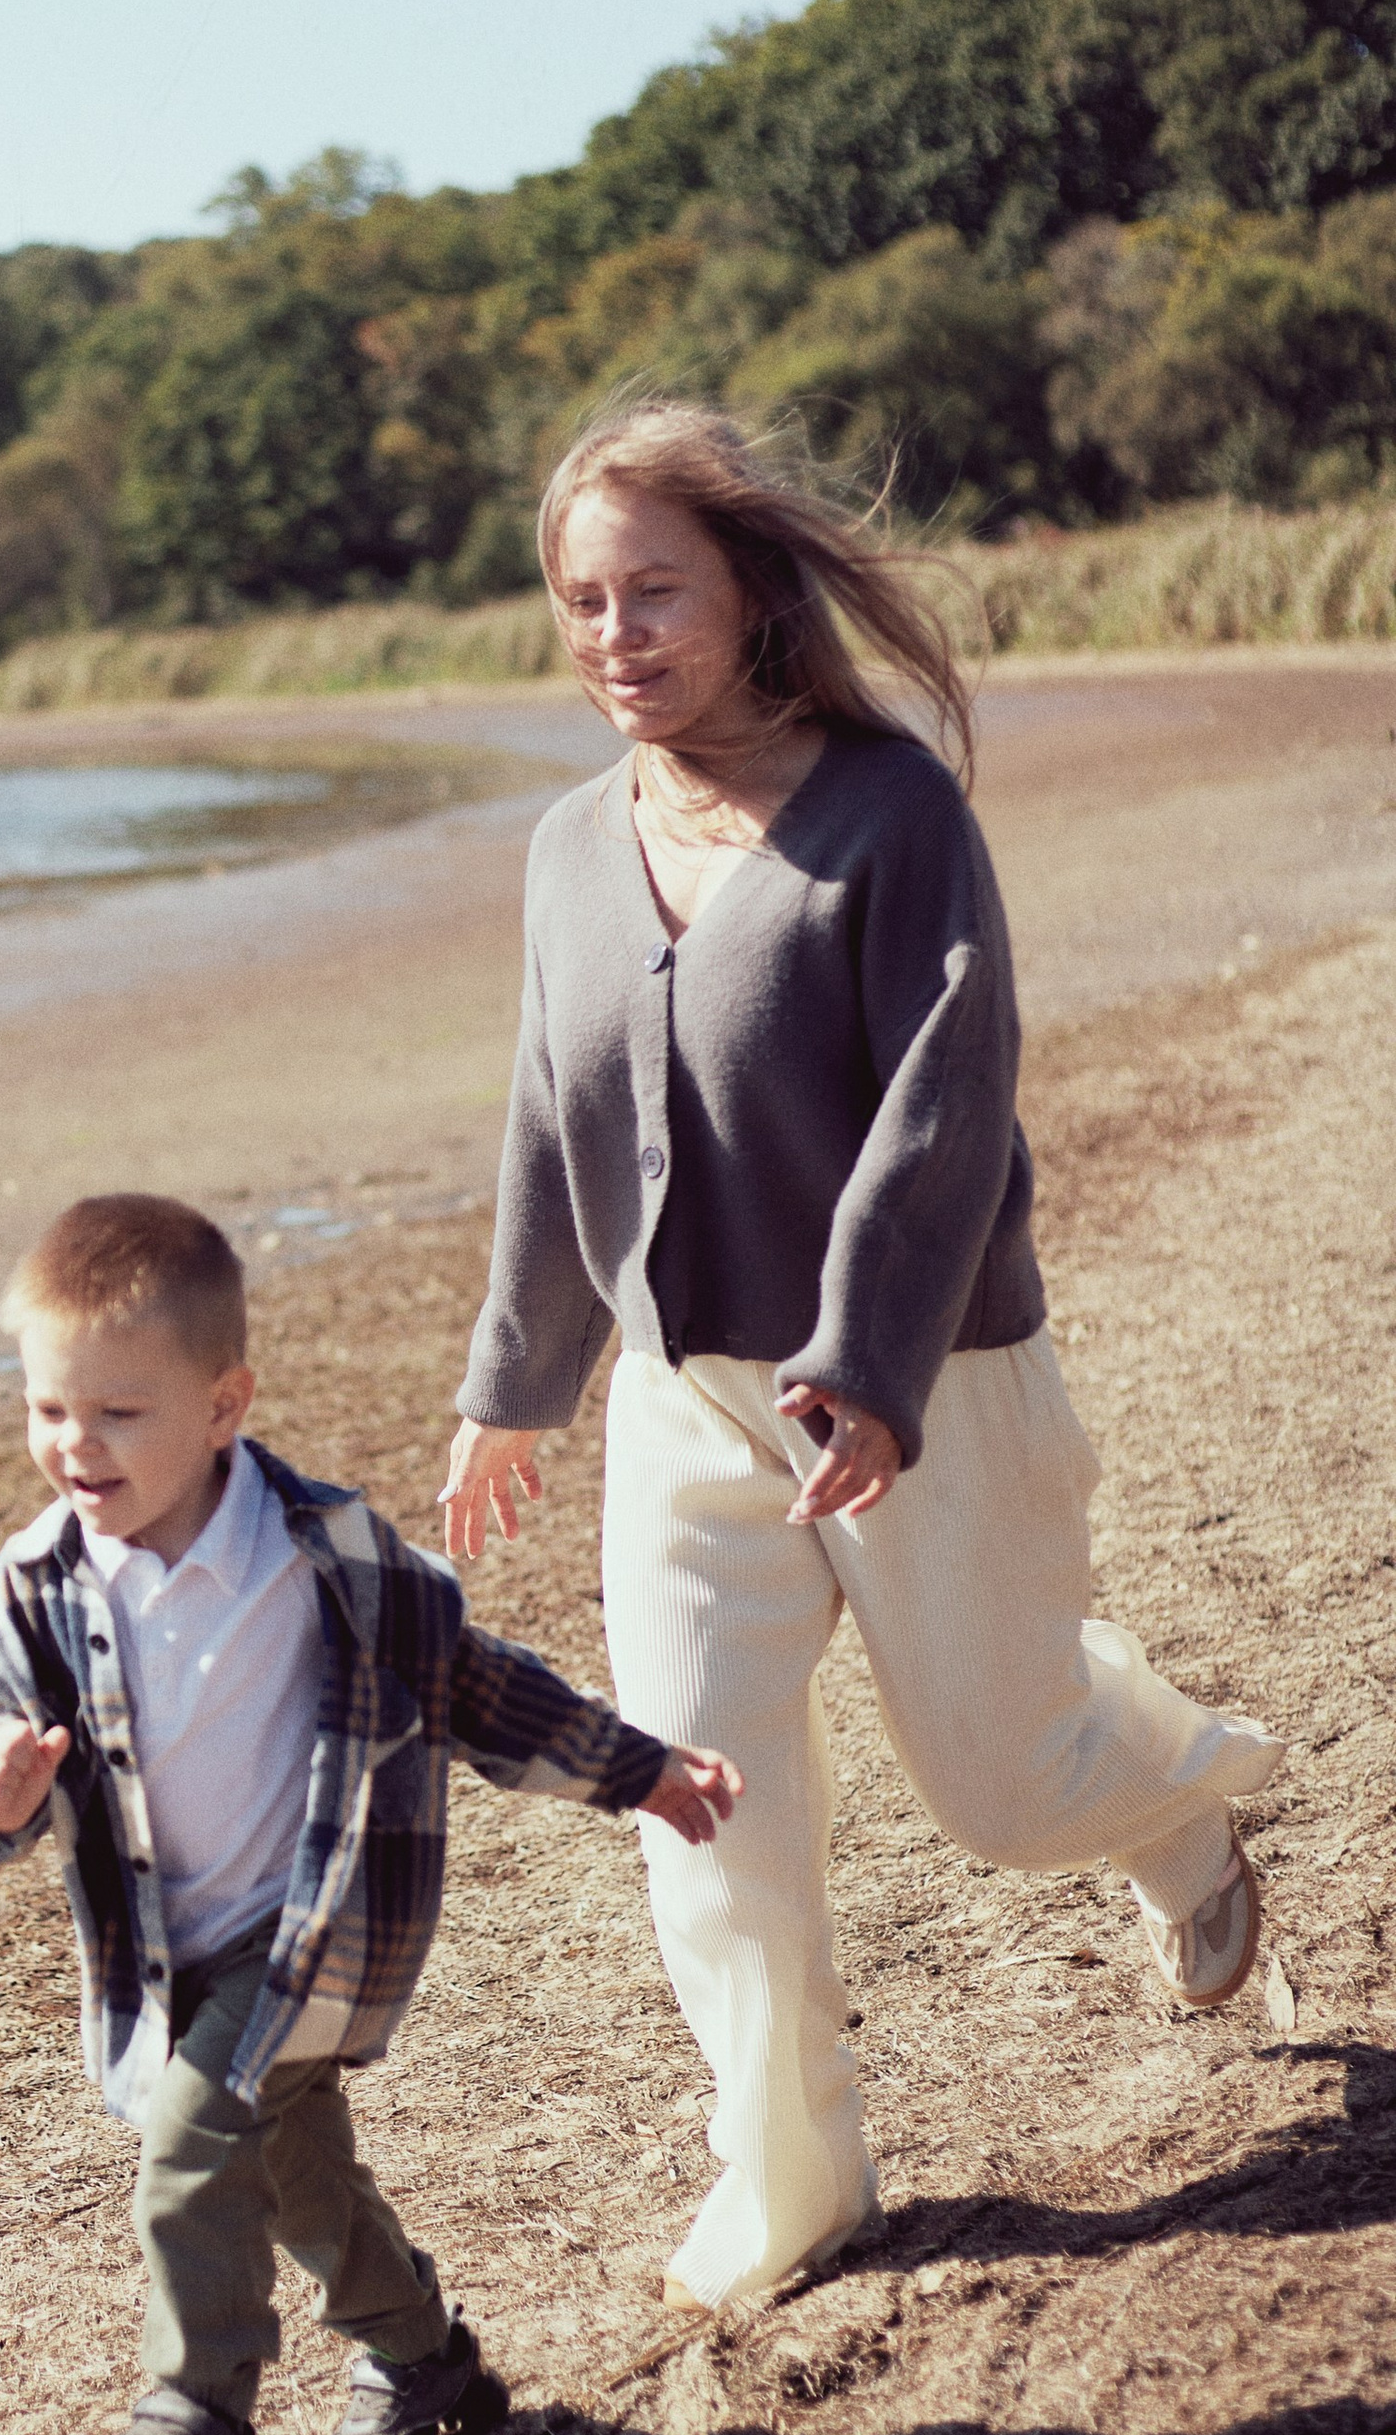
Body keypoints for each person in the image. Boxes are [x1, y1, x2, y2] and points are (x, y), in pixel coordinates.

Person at [440, 396, 1283, 2317]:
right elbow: (544, 1115)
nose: (614, 635)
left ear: (750, 592)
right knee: (698, 1795)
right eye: (582, 600)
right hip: (686, 1401)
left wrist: (870, 1361)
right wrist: (518, 1377)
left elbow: (949, 1104)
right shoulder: (571, 849)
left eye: (653, 590)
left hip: (922, 1385)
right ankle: (796, 2169)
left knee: (1007, 1790)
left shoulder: (893, 815)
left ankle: (1177, 1803)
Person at [0, 1194, 737, 2435]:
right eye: (50, 1409)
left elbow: (476, 1691)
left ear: (224, 1404)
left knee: (194, 2136)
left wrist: (638, 1768)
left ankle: (196, 2421)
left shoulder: (332, 1561)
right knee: (295, 2170)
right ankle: (426, 2367)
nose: (76, 1445)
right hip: (166, 1957)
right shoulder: (36, 1590)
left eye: (119, 1412)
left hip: (314, 1934)